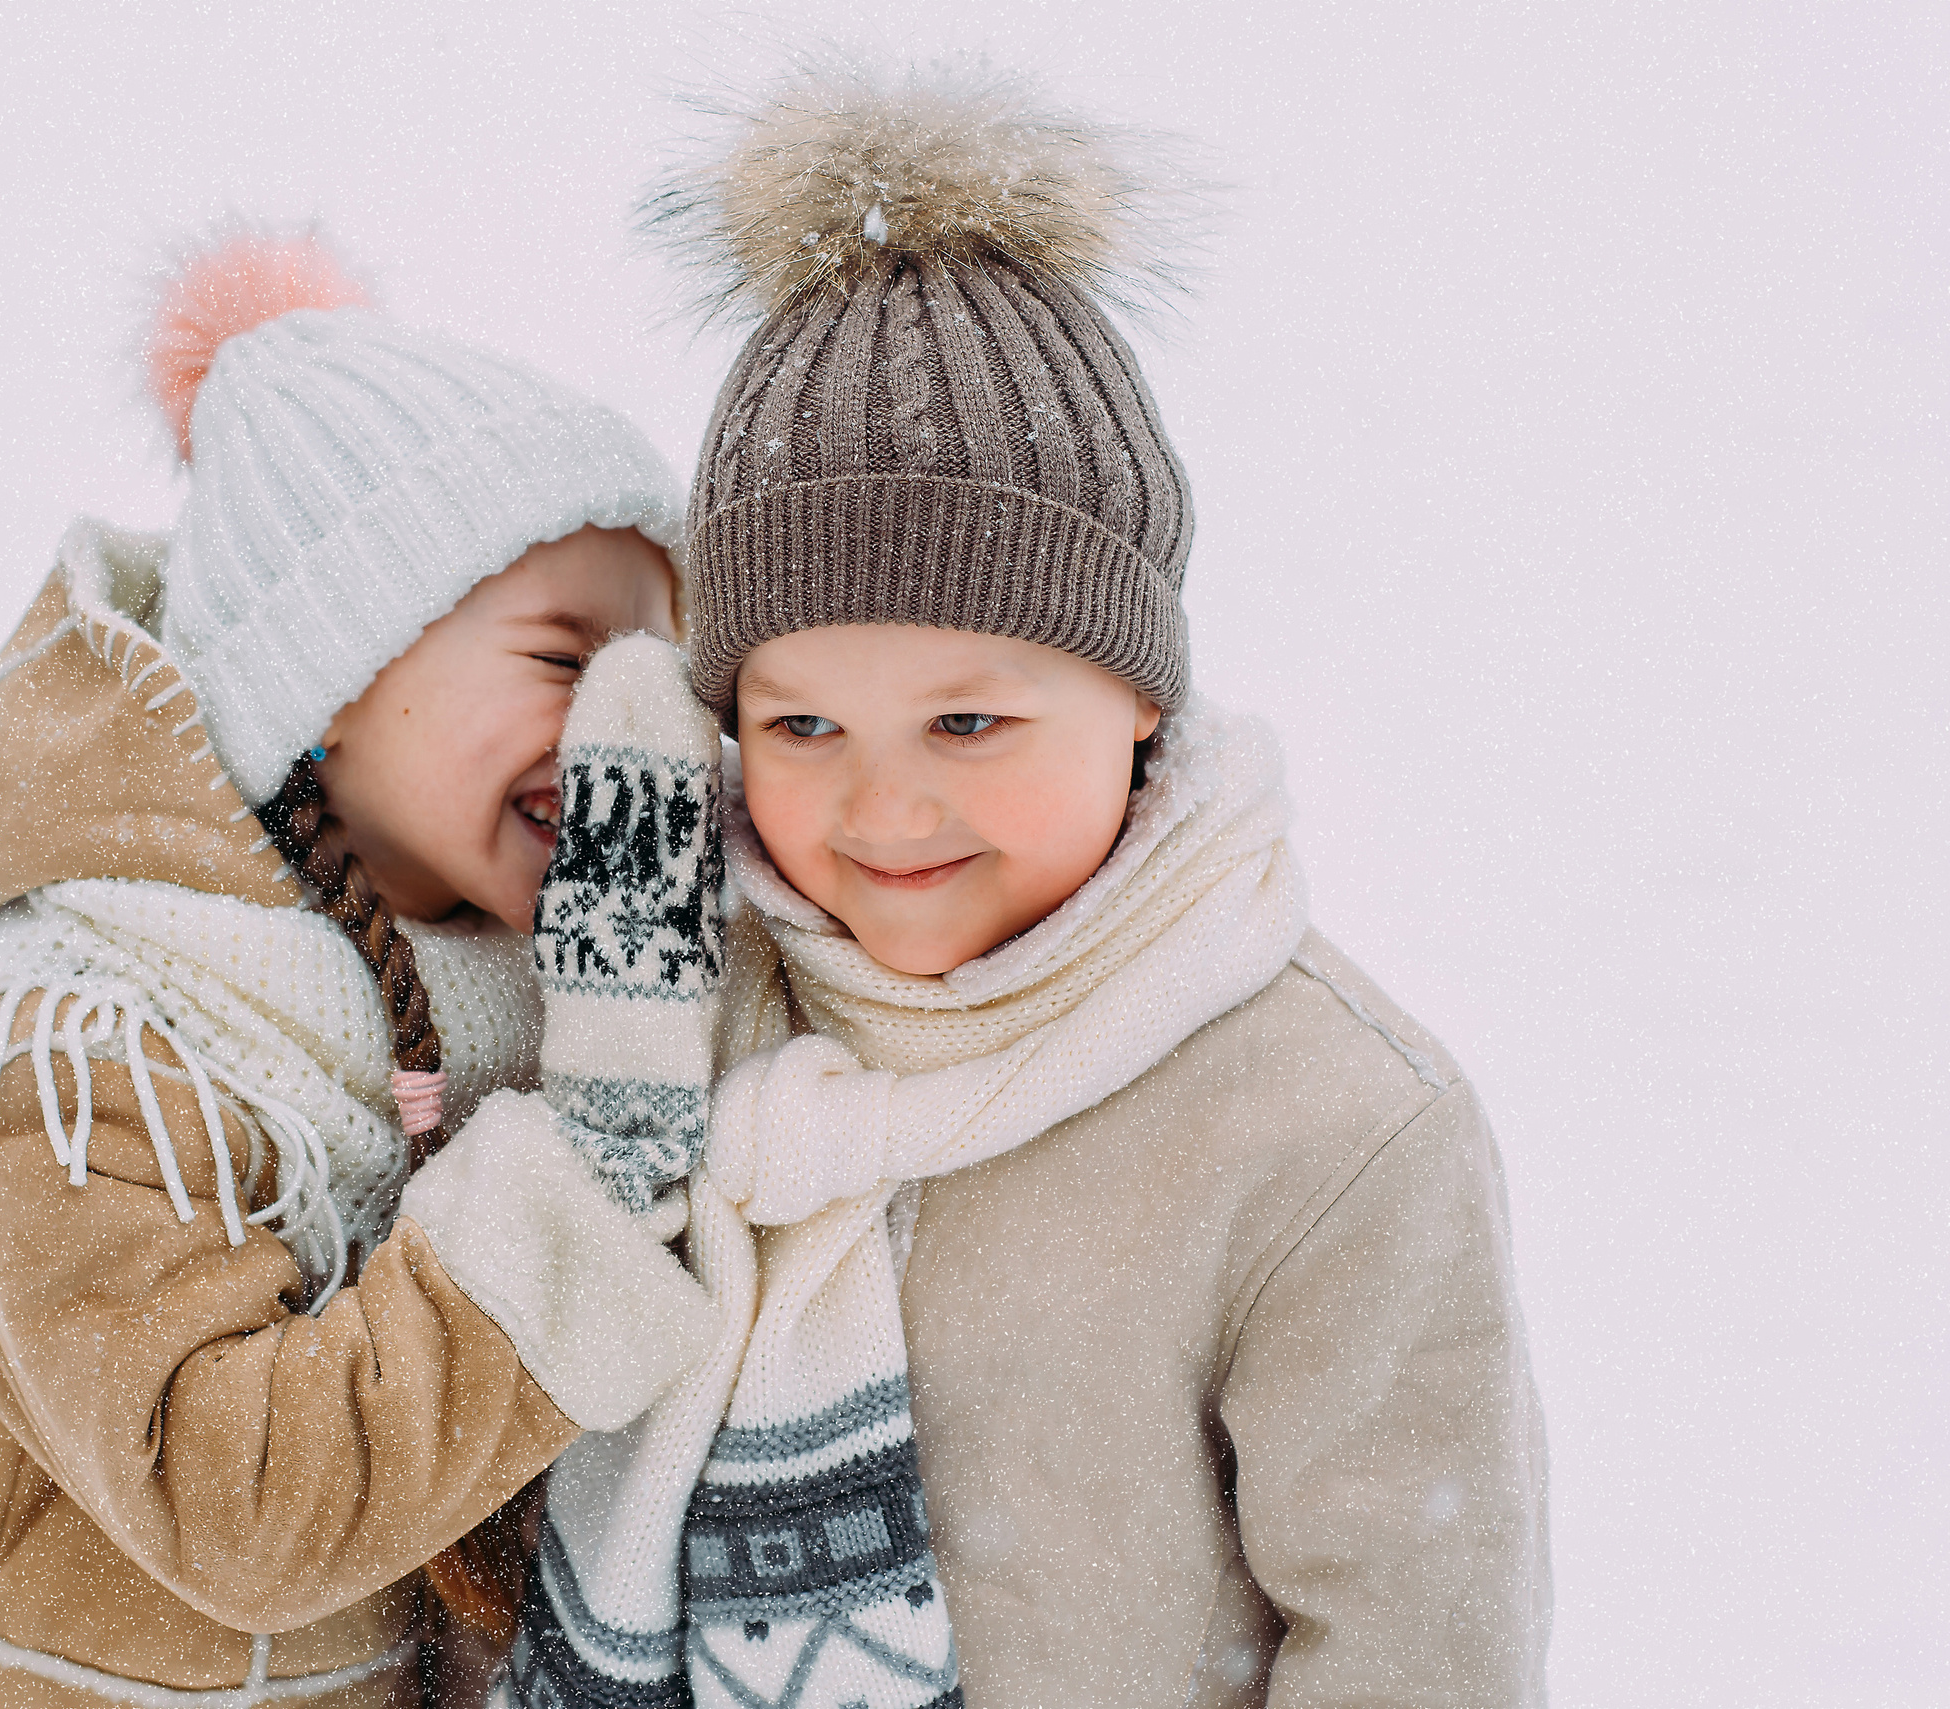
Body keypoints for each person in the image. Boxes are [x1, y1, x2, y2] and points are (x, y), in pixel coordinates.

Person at [500, 65, 1553, 1709]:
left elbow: (1420, 1645)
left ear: (1138, 694)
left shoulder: (1327, 1128)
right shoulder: (673, 1008)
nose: (883, 802)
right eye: (802, 722)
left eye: (970, 719)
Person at [0, 227, 721, 1708]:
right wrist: (592, 1179)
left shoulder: (525, 996)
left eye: (657, 671)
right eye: (567, 657)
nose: (626, 721)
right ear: (333, 678)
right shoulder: (87, 1054)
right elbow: (243, 1506)